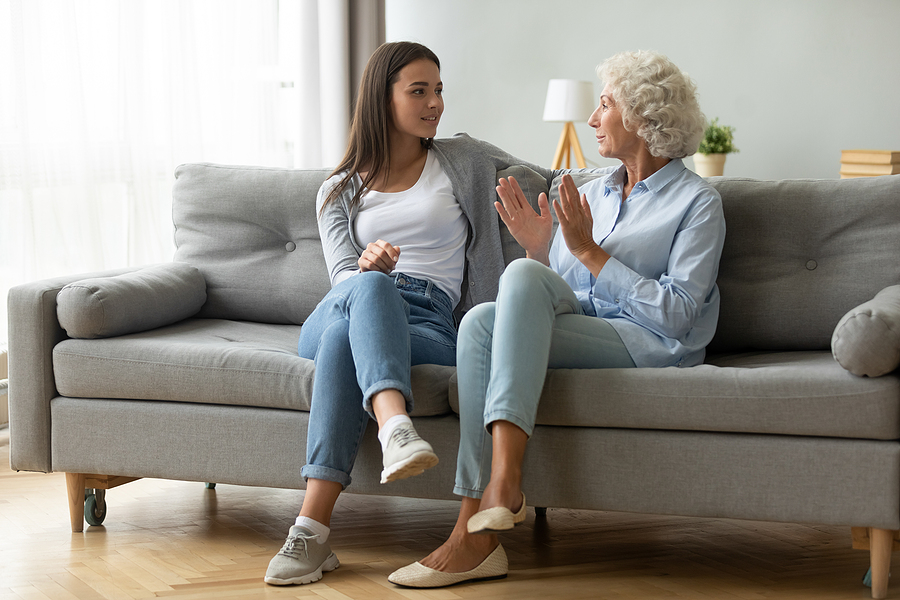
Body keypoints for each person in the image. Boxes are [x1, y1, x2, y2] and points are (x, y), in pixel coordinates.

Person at [389, 50, 727, 588]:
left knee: (511, 292)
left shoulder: (697, 203)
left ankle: (502, 488)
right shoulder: (589, 193)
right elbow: (558, 299)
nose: (593, 118)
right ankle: (476, 519)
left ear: (643, 116)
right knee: (479, 322)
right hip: (588, 331)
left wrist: (590, 252)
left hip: (650, 342)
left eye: (605, 104)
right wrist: (539, 250)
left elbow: (678, 314)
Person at [264, 41, 562, 586]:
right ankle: (395, 426)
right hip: (349, 303)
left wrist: (559, 230)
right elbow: (342, 279)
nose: (435, 103)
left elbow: (557, 177)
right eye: (419, 91)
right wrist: (366, 268)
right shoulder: (337, 190)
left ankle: (311, 531)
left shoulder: (462, 160)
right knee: (367, 289)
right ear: (383, 99)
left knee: (343, 344)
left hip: (429, 322)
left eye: (439, 90)